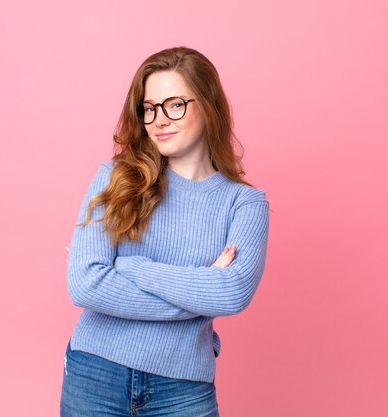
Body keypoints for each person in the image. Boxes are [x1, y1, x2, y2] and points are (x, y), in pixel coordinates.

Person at [60, 46, 270, 417]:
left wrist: (130, 267)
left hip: (183, 388)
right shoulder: (115, 178)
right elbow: (85, 284)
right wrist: (200, 291)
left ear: (207, 105)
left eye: (175, 104)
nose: (159, 119)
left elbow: (232, 293)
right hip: (95, 372)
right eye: (150, 108)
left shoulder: (245, 203)